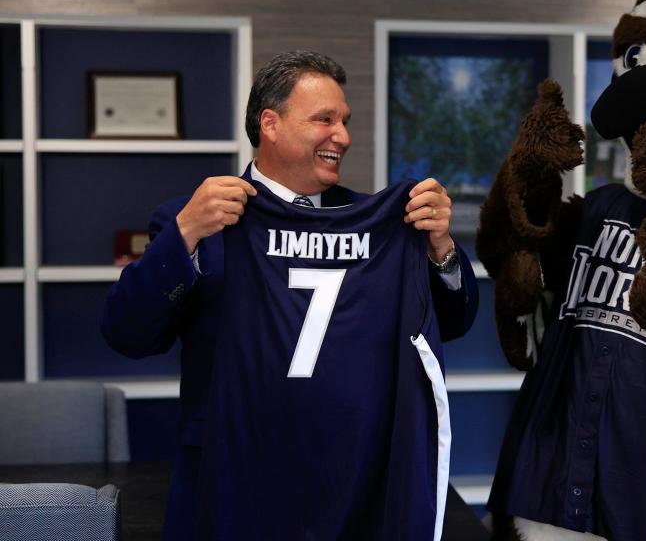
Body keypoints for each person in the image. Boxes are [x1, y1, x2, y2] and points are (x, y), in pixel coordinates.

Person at [100, 50, 478, 539]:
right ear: (270, 124)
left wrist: (440, 249)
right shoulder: (198, 217)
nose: (342, 136)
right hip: (231, 478)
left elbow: (451, 324)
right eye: (324, 119)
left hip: (352, 478)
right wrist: (185, 235)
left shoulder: (382, 224)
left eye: (344, 121)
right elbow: (126, 334)